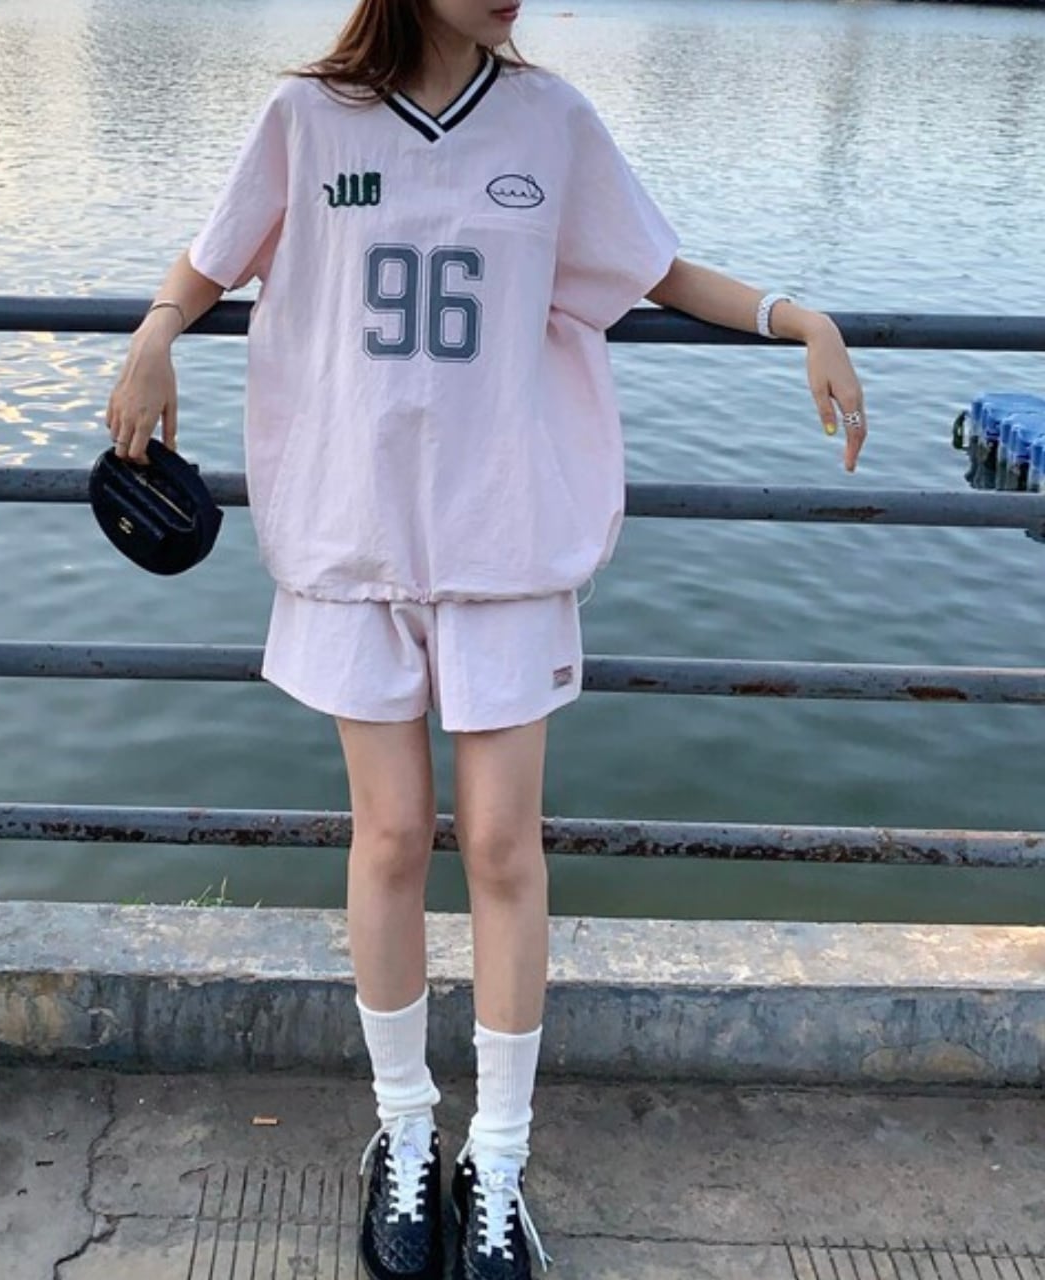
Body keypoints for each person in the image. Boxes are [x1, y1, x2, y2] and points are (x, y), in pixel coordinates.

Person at [104, 2, 869, 1276]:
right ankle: (404, 1131)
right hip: (353, 538)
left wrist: (798, 317)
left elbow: (653, 270)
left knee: (506, 844)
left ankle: (497, 1156)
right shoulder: (307, 119)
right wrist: (153, 331)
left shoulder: (549, 121)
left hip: (504, 539)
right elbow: (212, 256)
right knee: (392, 835)